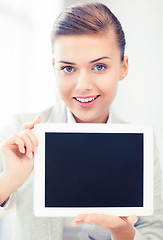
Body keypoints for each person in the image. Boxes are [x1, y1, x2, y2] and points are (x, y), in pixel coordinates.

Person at [0, 2, 163, 240]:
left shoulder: (142, 144)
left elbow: (154, 230)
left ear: (123, 67)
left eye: (99, 66)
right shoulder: (20, 134)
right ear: (54, 68)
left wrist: (124, 234)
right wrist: (9, 180)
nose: (82, 85)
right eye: (68, 69)